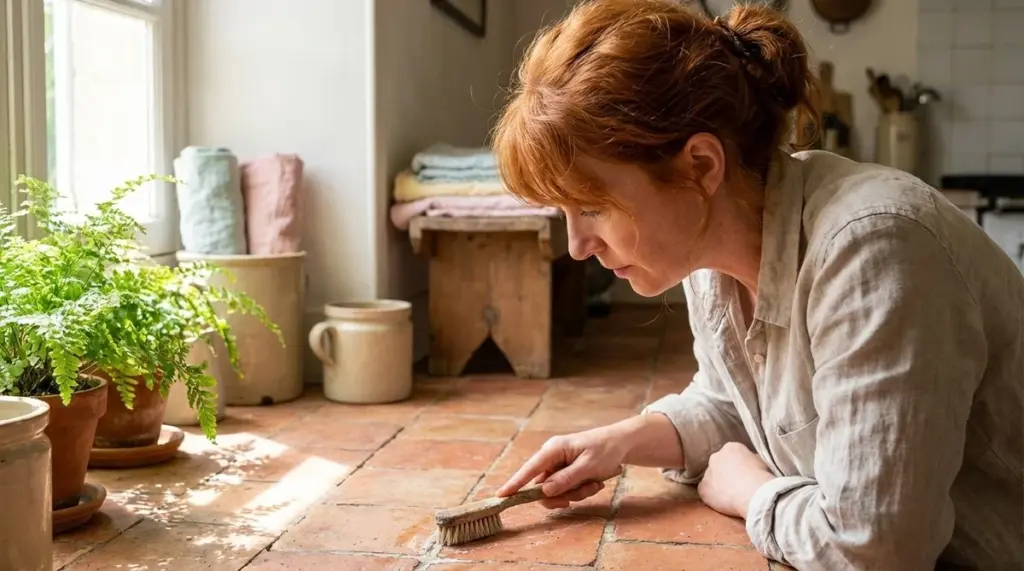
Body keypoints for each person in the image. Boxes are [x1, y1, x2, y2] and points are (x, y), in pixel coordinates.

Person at [488, 1, 1024, 570]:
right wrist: (620, 442)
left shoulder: (874, 250)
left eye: (593, 207)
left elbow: (877, 549)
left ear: (700, 165)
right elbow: (736, 401)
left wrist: (749, 494)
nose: (577, 246)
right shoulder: (711, 259)